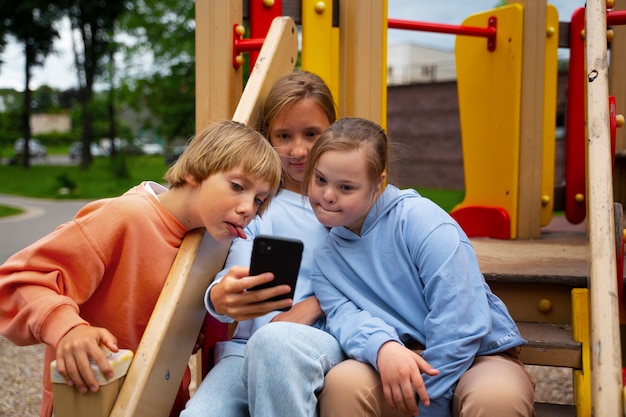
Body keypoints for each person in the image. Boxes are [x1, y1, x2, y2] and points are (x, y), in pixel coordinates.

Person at [0, 120, 282, 417]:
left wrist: (190, 329)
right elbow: (17, 280)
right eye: (238, 187)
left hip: (160, 401)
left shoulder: (208, 239)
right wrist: (68, 329)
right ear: (193, 172)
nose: (248, 207)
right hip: (91, 398)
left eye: (259, 200)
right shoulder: (126, 216)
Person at [303, 117, 536, 417]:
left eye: (346, 187)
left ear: (378, 183)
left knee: (497, 399)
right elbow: (346, 319)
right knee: (343, 384)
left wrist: (431, 402)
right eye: (320, 179)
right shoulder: (325, 260)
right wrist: (382, 347)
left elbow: (459, 315)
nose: (328, 195)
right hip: (400, 359)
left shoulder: (419, 219)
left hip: (476, 356)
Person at [181, 70, 346, 417]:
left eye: (312, 134)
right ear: (267, 137)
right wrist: (219, 296)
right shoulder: (256, 206)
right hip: (247, 348)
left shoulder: (350, 203)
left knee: (276, 343)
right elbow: (233, 272)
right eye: (283, 136)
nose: (298, 150)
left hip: (325, 341)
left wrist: (315, 304)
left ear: (332, 132)